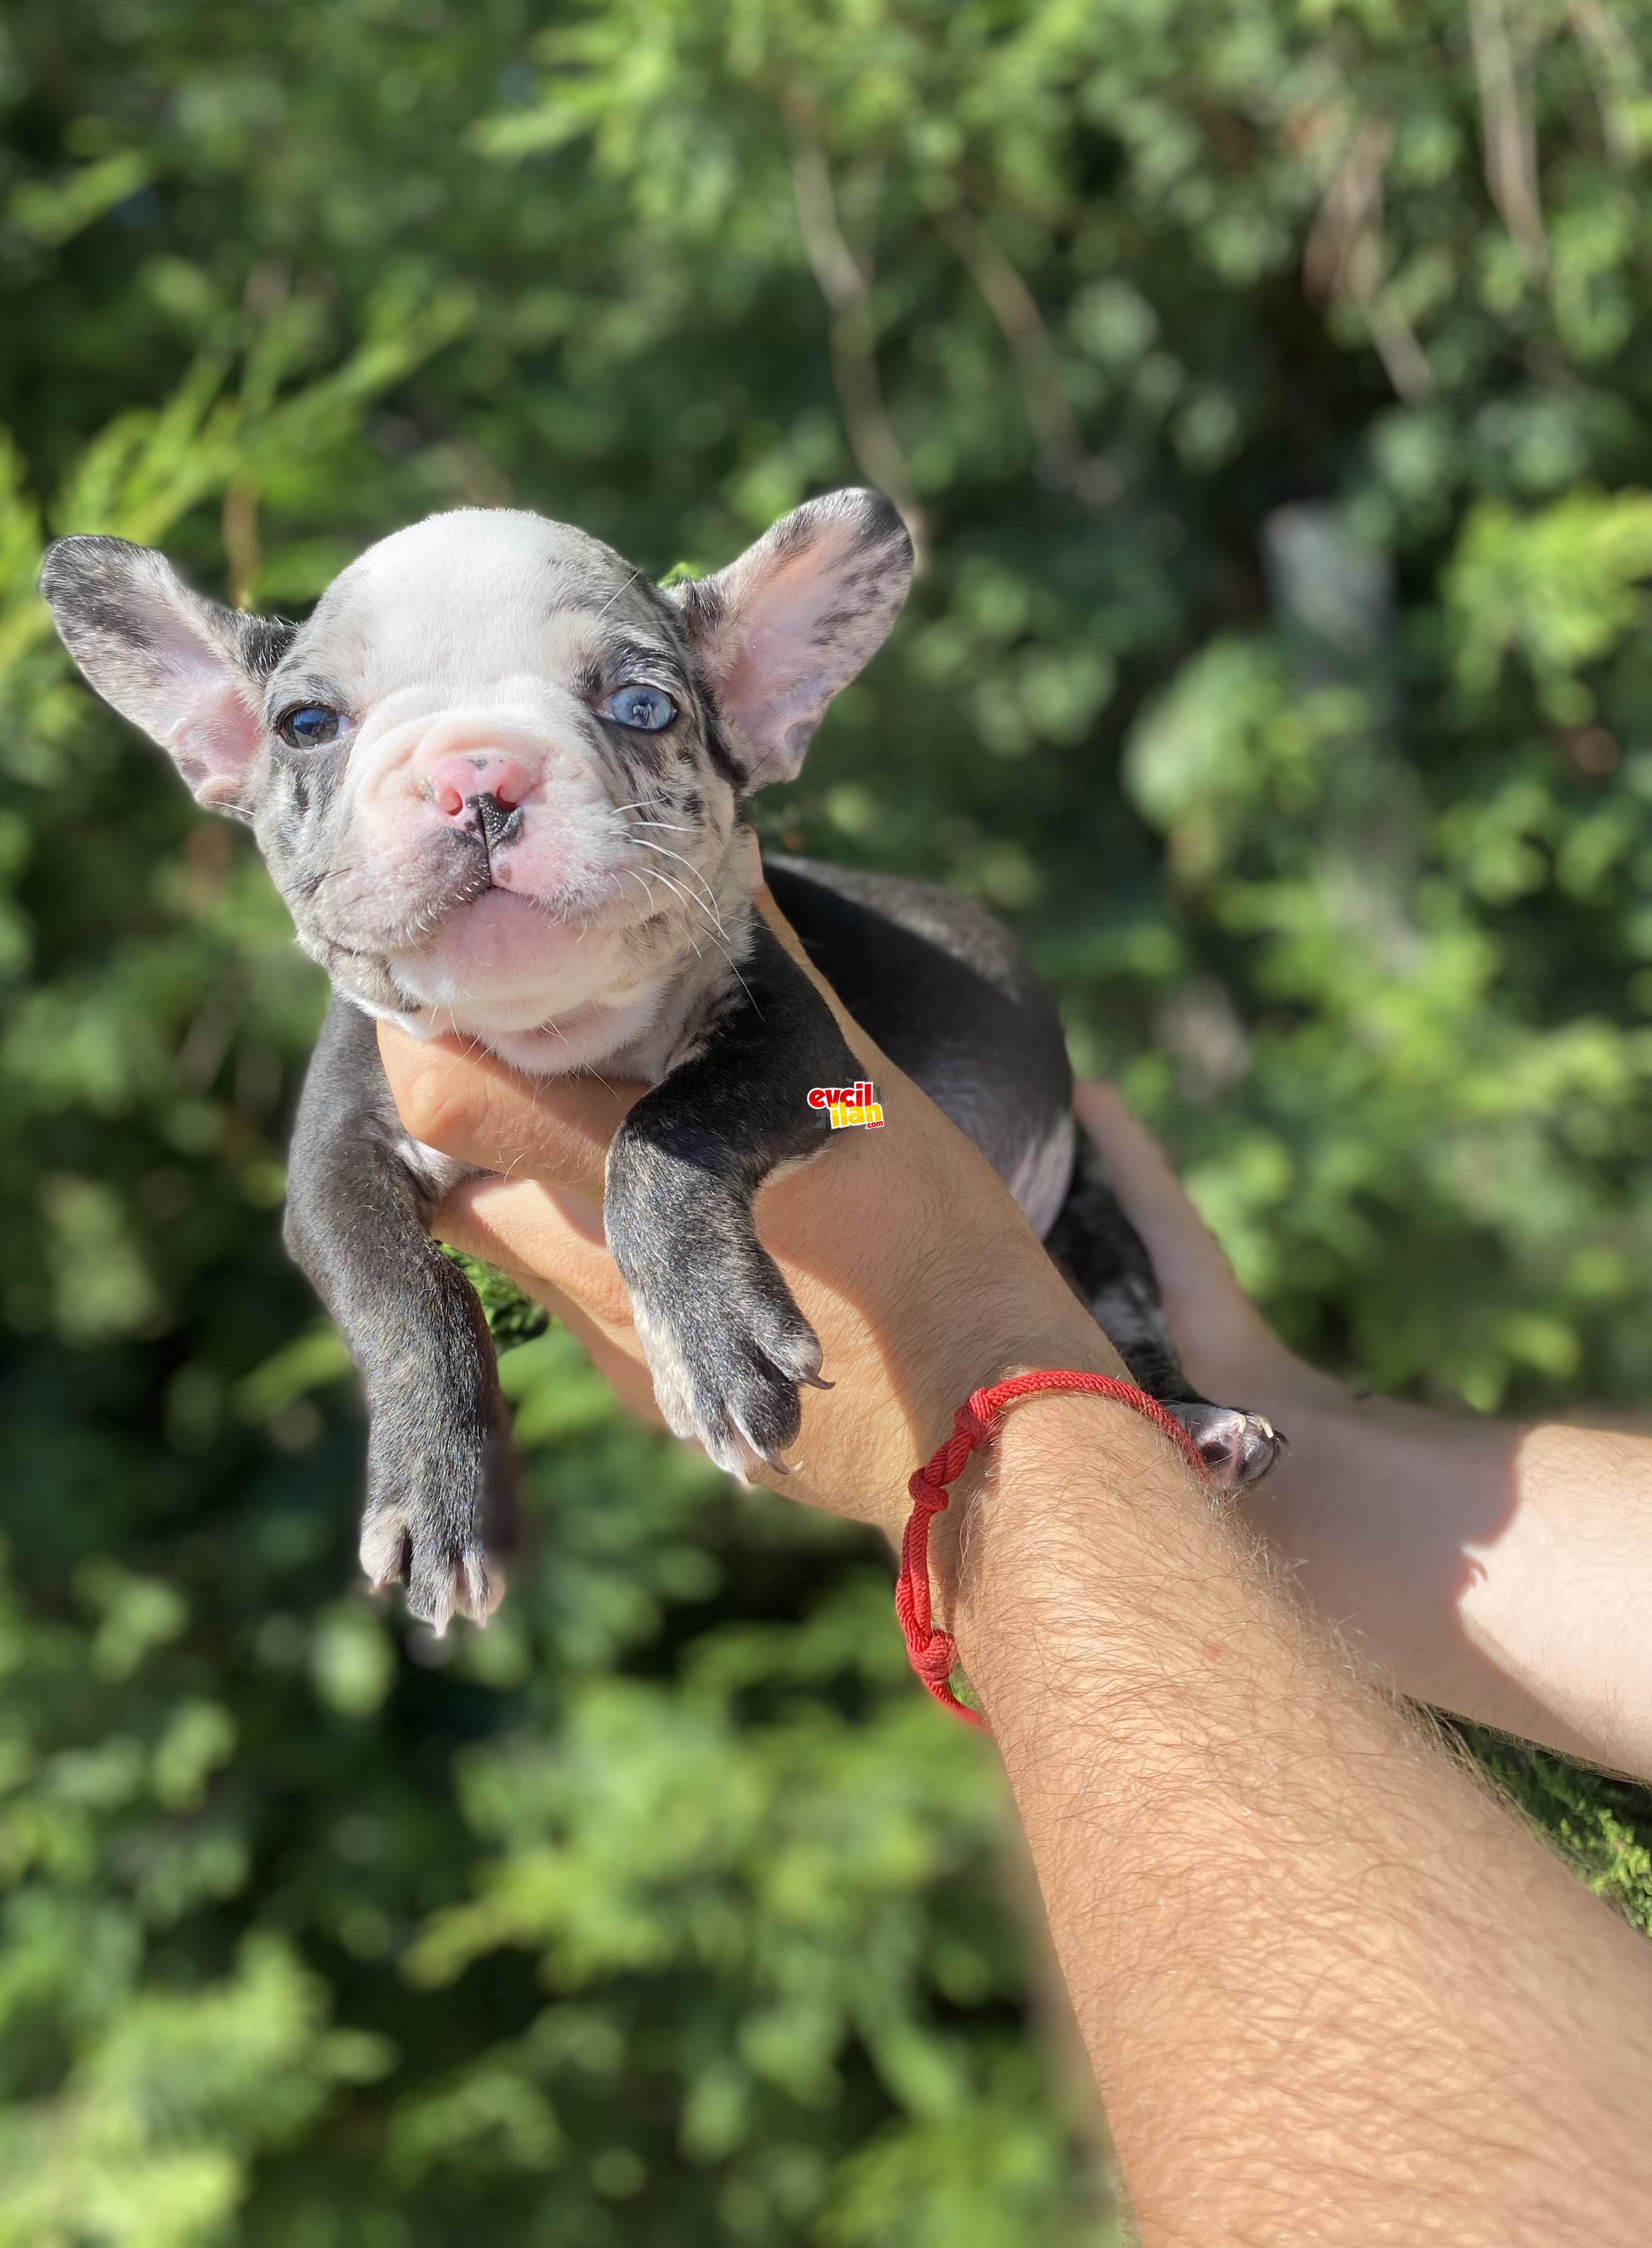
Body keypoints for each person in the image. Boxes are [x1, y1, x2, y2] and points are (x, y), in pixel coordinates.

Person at [376, 850, 1652, 2242]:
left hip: (859, 1103)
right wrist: (1273, 1444)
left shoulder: (824, 1026)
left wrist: (974, 1356)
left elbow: (842, 1100)